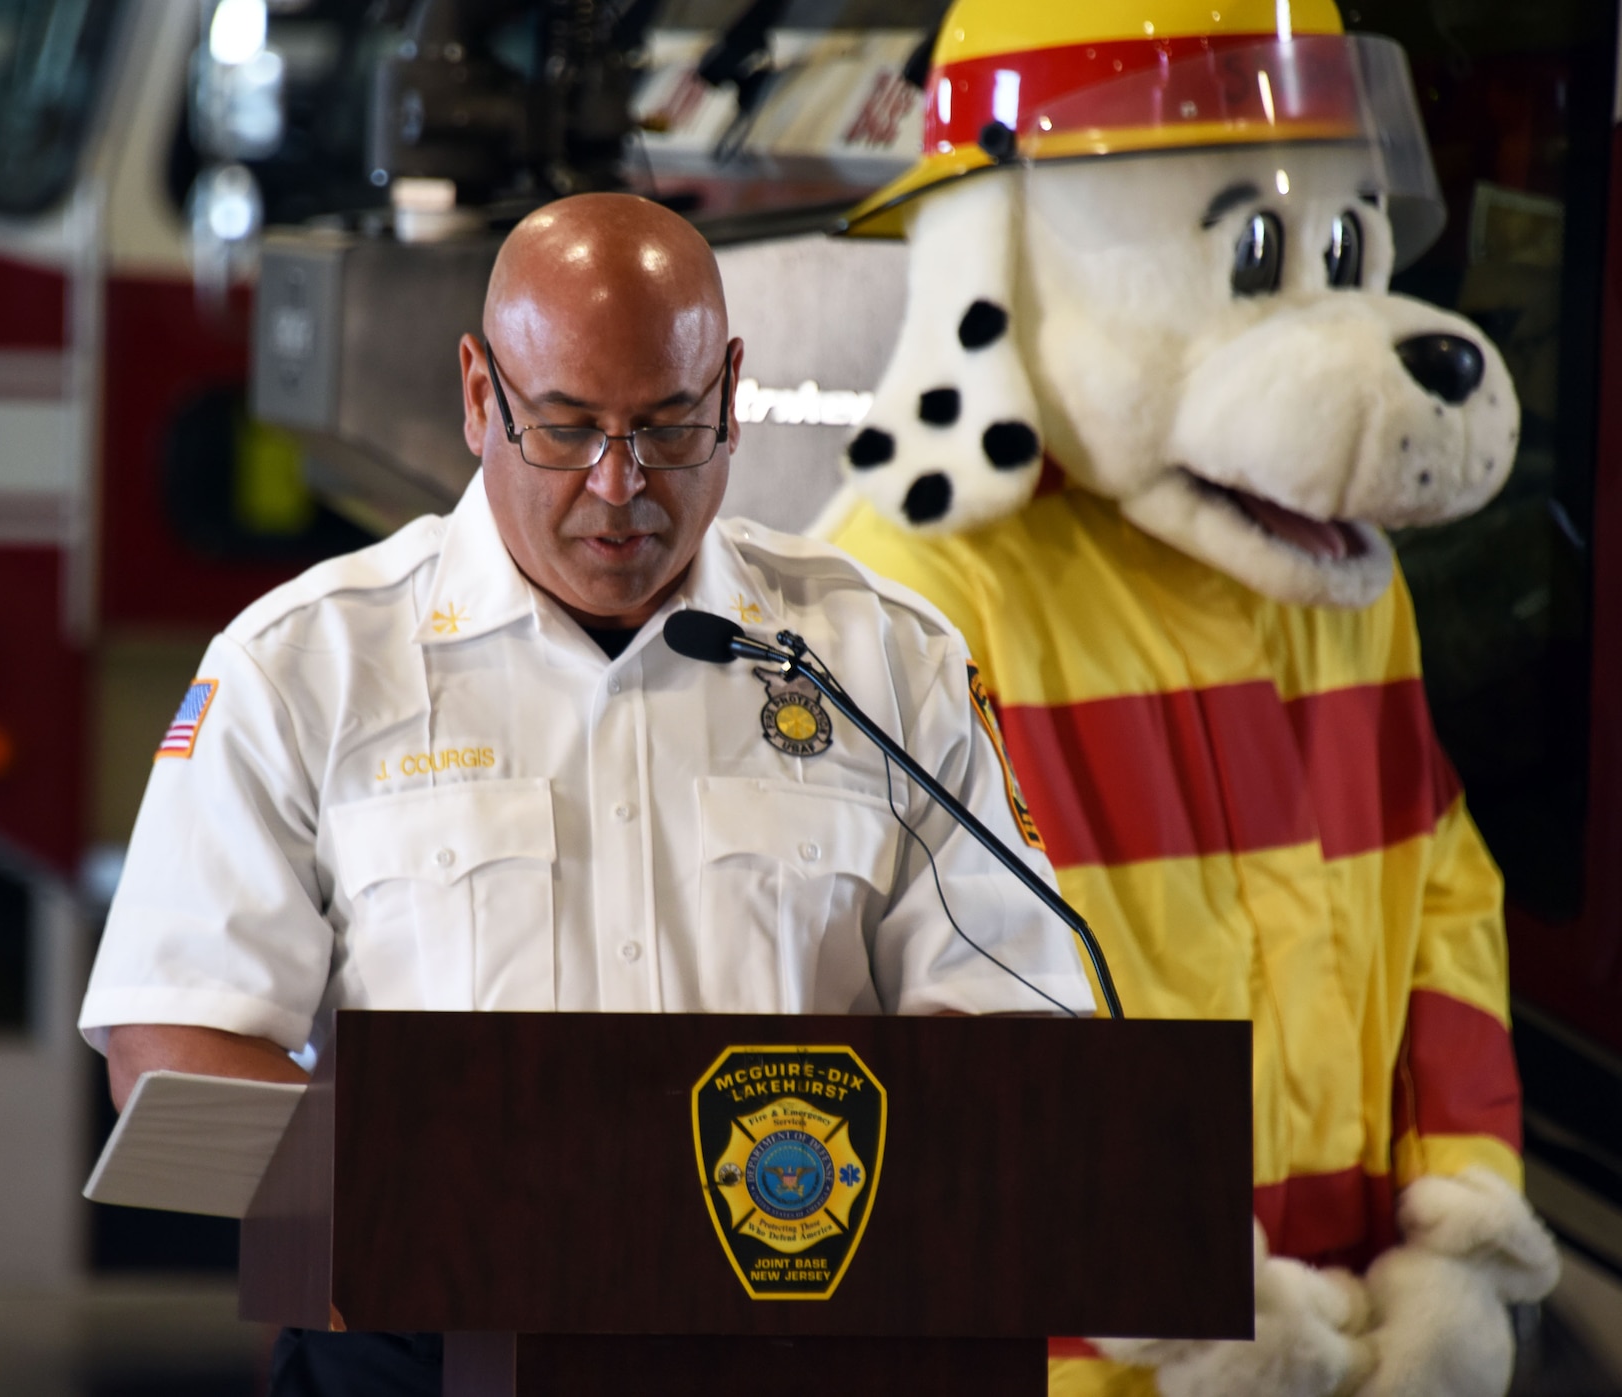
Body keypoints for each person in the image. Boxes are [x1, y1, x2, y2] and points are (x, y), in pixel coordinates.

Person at [79, 192, 1094, 1396]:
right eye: (564, 429)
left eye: (668, 429)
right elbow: (169, 1043)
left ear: (728, 391)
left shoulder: (882, 660)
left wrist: (821, 1195)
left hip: (805, 1343)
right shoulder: (306, 664)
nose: (618, 487)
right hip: (426, 1349)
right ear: (476, 394)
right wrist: (418, 1219)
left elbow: (1015, 1013)